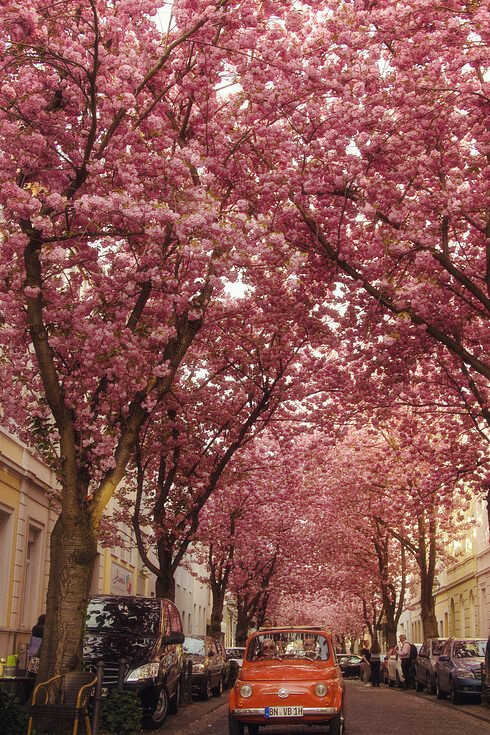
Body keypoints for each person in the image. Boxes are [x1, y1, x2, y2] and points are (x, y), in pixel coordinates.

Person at [26, 614, 45, 699]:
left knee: (31, 674)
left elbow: (31, 641)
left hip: (31, 653)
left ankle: (27, 694)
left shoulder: (35, 628)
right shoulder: (44, 629)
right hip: (38, 655)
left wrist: (29, 652)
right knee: (35, 675)